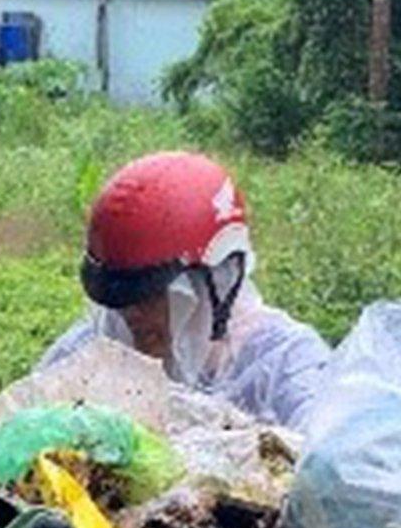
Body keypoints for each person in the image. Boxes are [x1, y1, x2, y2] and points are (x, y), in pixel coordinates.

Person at [37, 149, 329, 428]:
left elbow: (330, 460)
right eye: (120, 300)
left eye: (150, 296)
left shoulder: (284, 364)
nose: (130, 314)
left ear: (217, 283)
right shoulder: (88, 350)